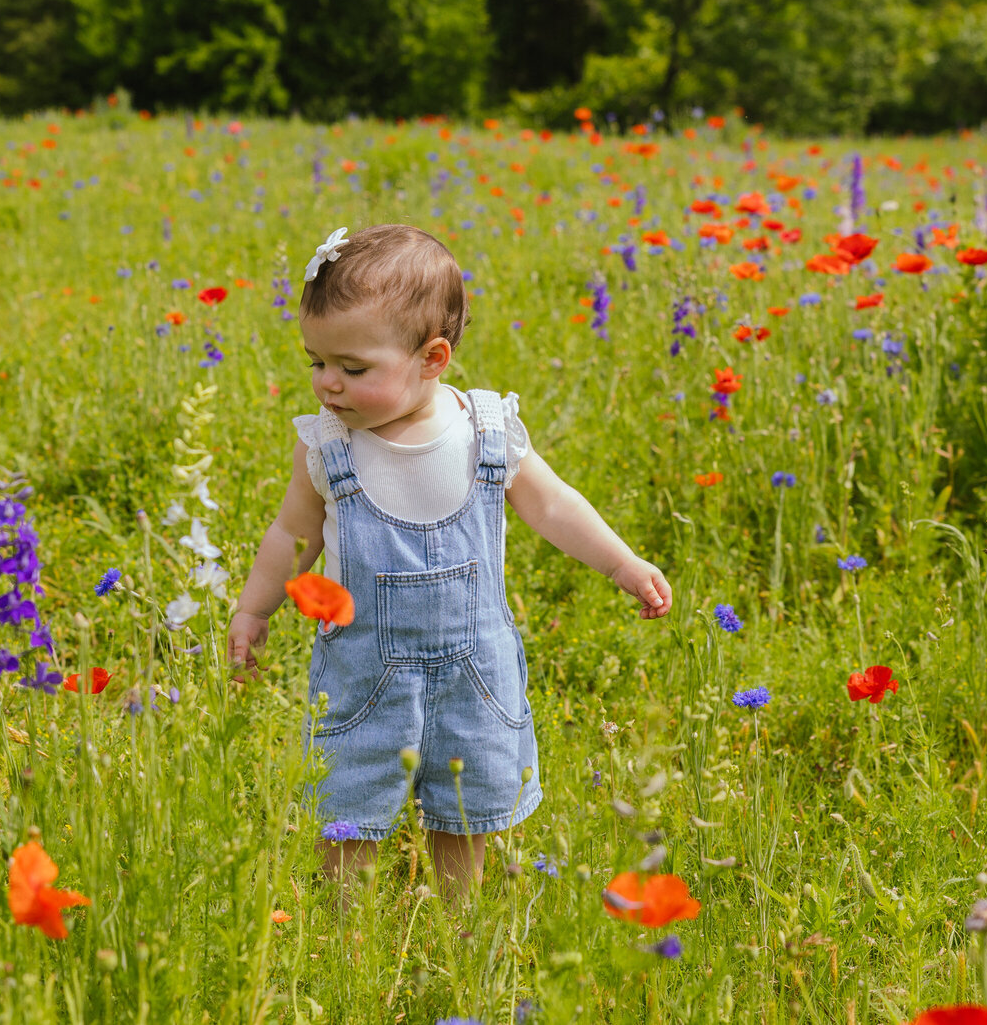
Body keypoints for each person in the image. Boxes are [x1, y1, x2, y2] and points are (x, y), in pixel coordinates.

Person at [226, 223, 672, 901]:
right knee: (348, 811)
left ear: (432, 357)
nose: (327, 384)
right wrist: (255, 608)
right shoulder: (326, 446)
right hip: (363, 673)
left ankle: (459, 927)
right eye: (315, 361)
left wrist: (622, 563)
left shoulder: (483, 431)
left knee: (465, 812)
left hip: (474, 673)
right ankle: (345, 934)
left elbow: (553, 506)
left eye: (352, 368)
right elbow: (292, 532)